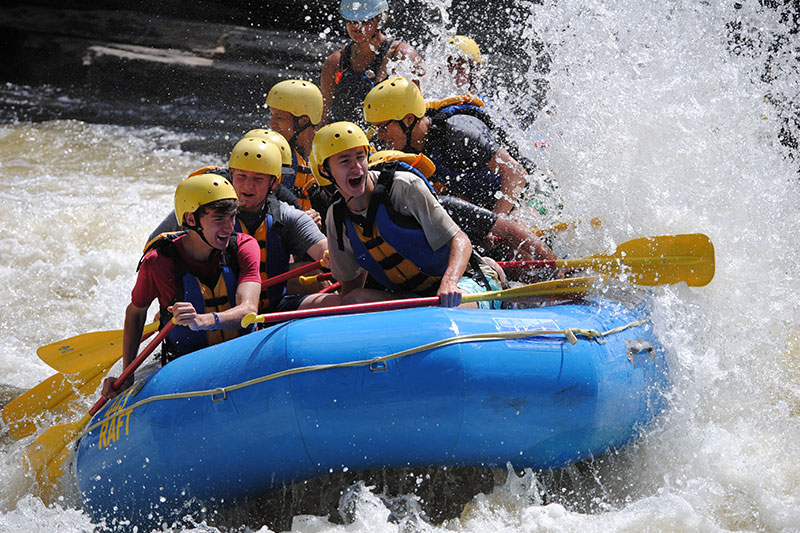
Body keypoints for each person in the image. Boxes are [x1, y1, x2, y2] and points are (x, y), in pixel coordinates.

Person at [309, 121, 502, 308]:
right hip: (412, 297)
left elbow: (460, 240)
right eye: (345, 161)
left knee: (445, 309)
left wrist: (449, 283)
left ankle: (491, 271)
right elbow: (350, 287)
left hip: (462, 282)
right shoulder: (336, 216)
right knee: (353, 301)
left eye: (360, 157)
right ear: (325, 170)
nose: (357, 168)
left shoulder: (404, 187)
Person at [102, 174, 261, 399]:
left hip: (243, 354)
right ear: (191, 219)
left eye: (232, 217)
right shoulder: (158, 262)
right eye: (219, 219)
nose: (229, 227)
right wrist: (129, 371)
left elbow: (249, 309)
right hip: (187, 366)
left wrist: (204, 320)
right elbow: (136, 312)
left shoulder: (244, 247)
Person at [148, 135, 340, 313]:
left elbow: (324, 249)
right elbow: (158, 249)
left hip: (272, 305)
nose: (248, 185)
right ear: (231, 175)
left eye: (258, 179)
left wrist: (335, 257)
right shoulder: (203, 211)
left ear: (273, 183)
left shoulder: (286, 214)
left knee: (345, 298)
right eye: (242, 176)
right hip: (221, 311)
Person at [363, 76, 560, 218]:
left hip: (534, 192)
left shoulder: (459, 131)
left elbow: (516, 173)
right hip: (494, 204)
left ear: (408, 119)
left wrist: (495, 223)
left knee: (513, 232)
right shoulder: (408, 148)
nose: (380, 136)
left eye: (383, 127)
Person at [366, 150, 557, 263]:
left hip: (533, 196)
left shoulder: (444, 206)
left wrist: (557, 266)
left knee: (509, 237)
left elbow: (510, 229)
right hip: (481, 242)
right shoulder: (366, 220)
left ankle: (545, 276)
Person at [320, 0, 423, 126]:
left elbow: (416, 116)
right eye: (351, 21)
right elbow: (324, 117)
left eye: (365, 22)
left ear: (380, 21)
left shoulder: (401, 56)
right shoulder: (335, 62)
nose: (356, 27)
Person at [265, 79, 325, 225]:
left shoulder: (330, 153)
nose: (271, 124)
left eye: (278, 117)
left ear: (303, 121)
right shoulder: (271, 153)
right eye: (271, 115)